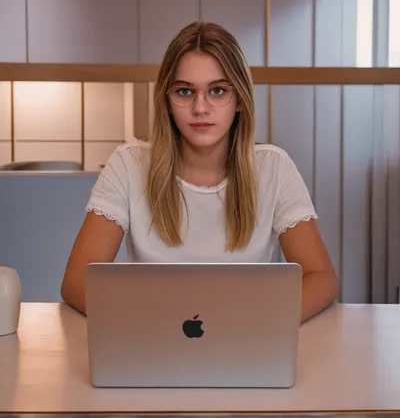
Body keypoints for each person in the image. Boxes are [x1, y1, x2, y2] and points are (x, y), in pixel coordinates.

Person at [61, 21, 339, 321]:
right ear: (167, 101)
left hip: (245, 348)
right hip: (151, 348)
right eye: (184, 91)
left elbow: (321, 277)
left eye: (218, 91)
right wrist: (148, 322)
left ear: (240, 101)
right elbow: (77, 282)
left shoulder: (274, 167)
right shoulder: (128, 164)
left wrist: (258, 323)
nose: (200, 108)